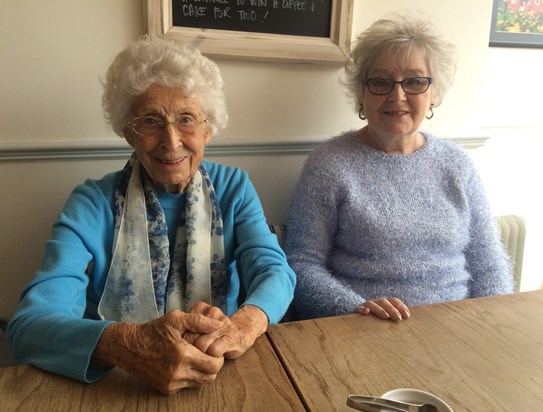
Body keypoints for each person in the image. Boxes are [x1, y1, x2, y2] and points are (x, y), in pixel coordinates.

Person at [7, 35, 296, 395]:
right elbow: (28, 328)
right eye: (150, 121)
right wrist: (128, 344)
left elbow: (275, 271)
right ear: (129, 131)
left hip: (224, 376)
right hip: (118, 386)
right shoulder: (91, 203)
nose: (171, 141)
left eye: (186, 119)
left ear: (209, 128)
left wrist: (243, 325)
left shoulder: (233, 187)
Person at [285, 13, 513, 322]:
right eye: (380, 82)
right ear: (362, 96)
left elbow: (489, 265)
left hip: (457, 328)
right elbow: (301, 265)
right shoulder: (328, 166)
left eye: (415, 81)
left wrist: (495, 323)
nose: (398, 96)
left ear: (433, 95)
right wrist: (357, 308)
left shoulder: (458, 166)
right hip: (364, 332)